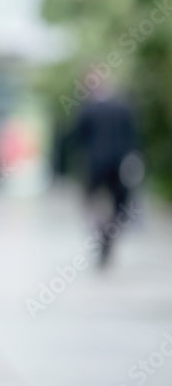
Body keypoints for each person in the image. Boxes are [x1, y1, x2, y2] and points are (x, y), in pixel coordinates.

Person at [66, 75, 141, 267]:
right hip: (119, 164)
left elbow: (78, 137)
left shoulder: (88, 110)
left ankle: (101, 232)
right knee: (120, 204)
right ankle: (110, 234)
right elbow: (132, 137)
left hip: (95, 166)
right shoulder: (123, 107)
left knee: (91, 202)